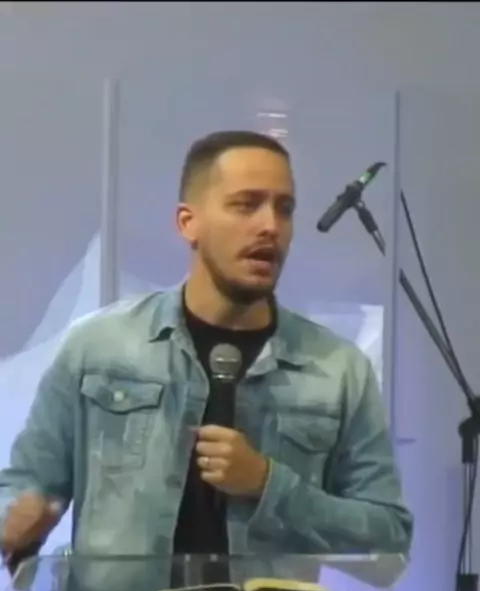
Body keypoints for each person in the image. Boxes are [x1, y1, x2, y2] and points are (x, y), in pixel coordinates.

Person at [0, 130, 413, 567]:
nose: (270, 226)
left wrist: (269, 484)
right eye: (246, 204)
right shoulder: (98, 346)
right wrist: (16, 519)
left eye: (284, 208)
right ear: (187, 223)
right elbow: (26, 486)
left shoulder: (337, 369)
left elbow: (387, 532)